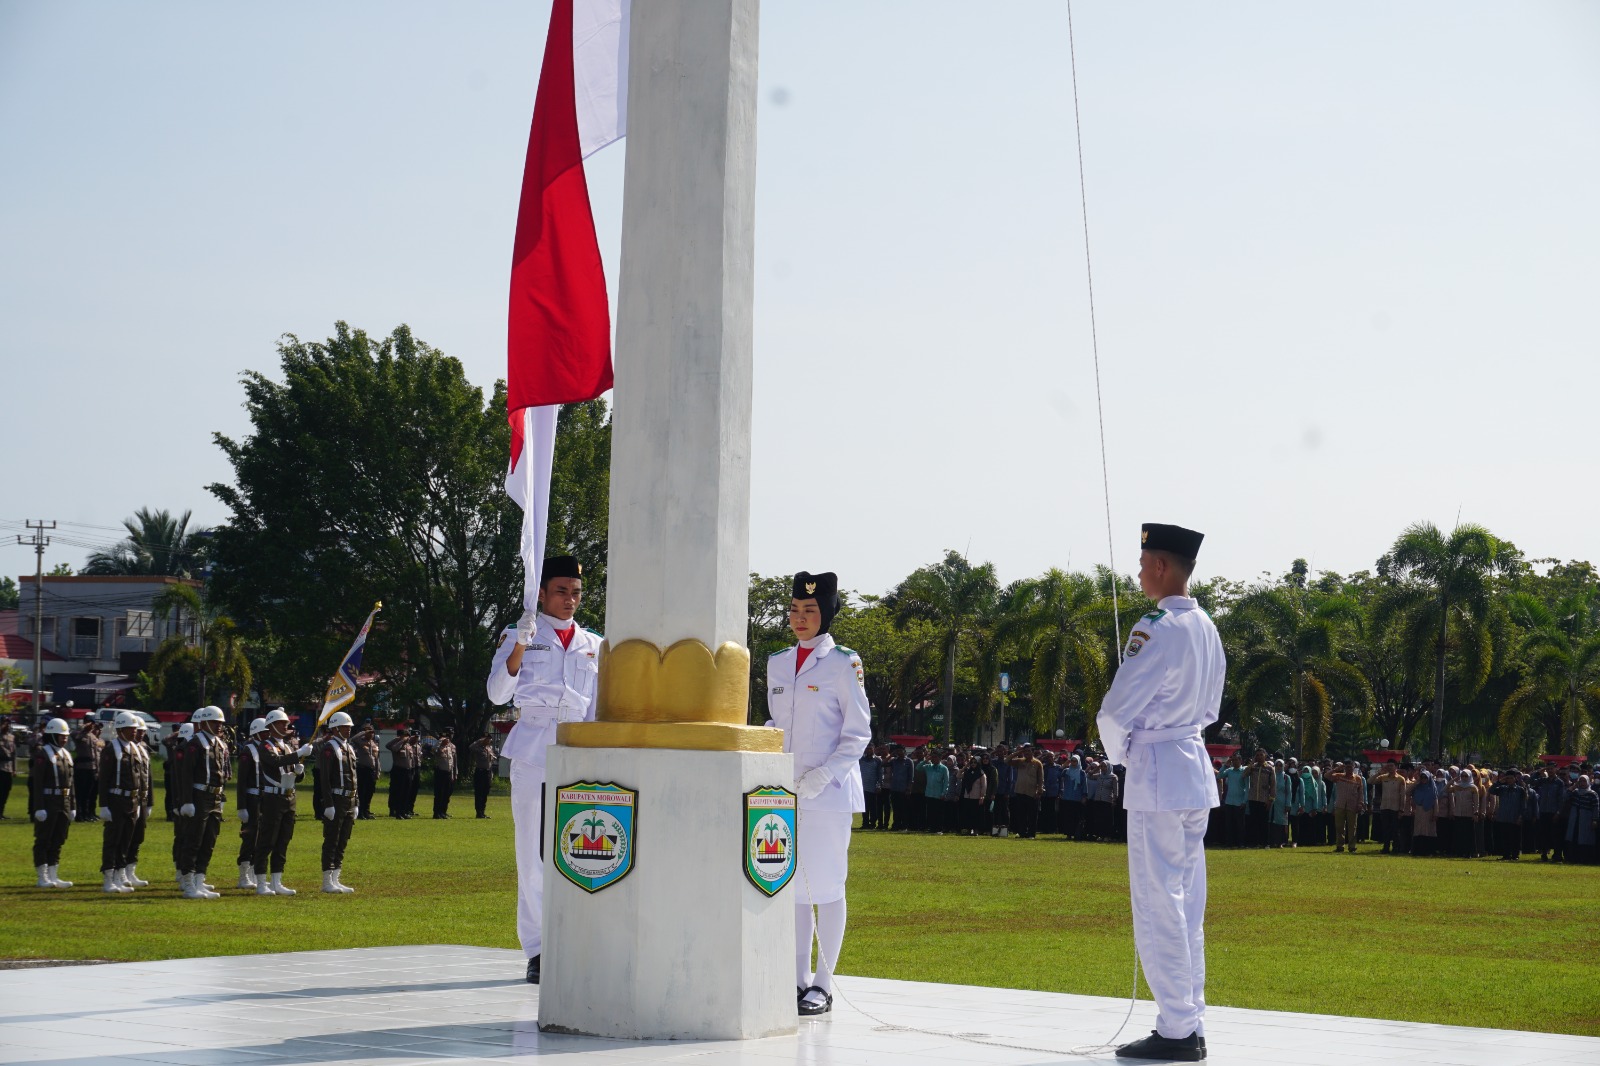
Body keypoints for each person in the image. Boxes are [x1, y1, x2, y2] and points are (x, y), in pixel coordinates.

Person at [1095, 522, 1223, 1063]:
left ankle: (1176, 1028)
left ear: (1163, 567)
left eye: (1145, 562)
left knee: (1158, 904)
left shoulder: (1158, 627)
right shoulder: (1207, 627)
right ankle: (1187, 1017)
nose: (1139, 571)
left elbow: (1113, 712)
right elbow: (1212, 710)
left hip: (1157, 772)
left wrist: (1125, 757)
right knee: (1186, 903)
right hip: (1193, 766)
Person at [486, 555, 602, 985]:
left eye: (575, 592)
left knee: (580, 851)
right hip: (535, 750)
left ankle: (574, 938)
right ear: (541, 593)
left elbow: (598, 705)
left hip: (579, 752)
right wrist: (518, 645)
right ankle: (537, 948)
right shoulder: (520, 636)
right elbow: (497, 693)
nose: (570, 600)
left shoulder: (594, 643)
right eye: (561, 591)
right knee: (532, 855)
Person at [766, 571, 871, 1018]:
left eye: (810, 611)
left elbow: (858, 733)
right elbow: (777, 724)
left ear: (826, 614)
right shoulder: (775, 661)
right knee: (790, 887)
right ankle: (795, 979)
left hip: (827, 792)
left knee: (826, 887)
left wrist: (824, 774)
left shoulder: (844, 663)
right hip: (783, 789)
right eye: (794, 610)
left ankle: (824, 985)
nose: (800, 618)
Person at [253, 708, 313, 896]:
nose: (285, 725)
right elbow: (274, 761)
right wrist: (298, 754)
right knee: (267, 840)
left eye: (285, 722)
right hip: (273, 798)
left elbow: (294, 774)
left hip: (289, 797)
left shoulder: (287, 746)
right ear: (271, 726)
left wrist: (299, 772)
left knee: (283, 840)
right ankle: (261, 882)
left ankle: (277, 881)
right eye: (281, 723)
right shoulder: (266, 745)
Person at [173, 706, 230, 900]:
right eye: (215, 722)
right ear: (204, 723)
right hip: (198, 796)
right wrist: (187, 801)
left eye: (221, 723)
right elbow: (186, 774)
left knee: (209, 841)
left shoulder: (220, 744)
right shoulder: (195, 744)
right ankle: (188, 882)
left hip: (213, 797)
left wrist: (221, 798)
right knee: (194, 840)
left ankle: (199, 879)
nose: (219, 726)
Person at [97, 711, 151, 893]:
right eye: (131, 728)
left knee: (126, 840)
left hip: (132, 800)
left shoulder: (133, 748)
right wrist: (103, 804)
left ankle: (120, 874)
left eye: (136, 728)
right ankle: (108, 878)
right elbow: (104, 779)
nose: (135, 732)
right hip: (116, 799)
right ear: (121, 729)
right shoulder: (111, 749)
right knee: (113, 839)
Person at [316, 711, 360, 892]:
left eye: (349, 727)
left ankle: (336, 878)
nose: (348, 730)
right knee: (332, 839)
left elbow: (354, 777)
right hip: (336, 798)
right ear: (335, 728)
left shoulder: (348, 747)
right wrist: (328, 803)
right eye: (345, 727)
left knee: (343, 839)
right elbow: (324, 779)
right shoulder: (329, 748)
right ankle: (327, 880)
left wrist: (356, 801)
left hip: (349, 799)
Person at [32, 717, 77, 888]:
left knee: (58, 838)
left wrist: (73, 805)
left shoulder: (66, 754)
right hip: (49, 801)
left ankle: (53, 874)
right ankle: (42, 876)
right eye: (61, 736)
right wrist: (39, 807)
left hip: (63, 802)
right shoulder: (43, 754)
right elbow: (37, 783)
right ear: (51, 736)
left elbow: (71, 784)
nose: (64, 739)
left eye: (66, 736)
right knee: (44, 838)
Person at [235, 717, 270, 890]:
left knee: (262, 837)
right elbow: (241, 781)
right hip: (251, 799)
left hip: (265, 799)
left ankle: (255, 873)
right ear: (257, 732)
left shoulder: (267, 749)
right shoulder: (248, 752)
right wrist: (241, 806)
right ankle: (243, 875)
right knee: (250, 836)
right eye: (266, 731)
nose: (269, 734)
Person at [386, 728, 422, 818]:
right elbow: (393, 748)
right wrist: (400, 740)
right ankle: (397, 812)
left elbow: (412, 759)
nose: (407, 737)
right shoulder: (398, 744)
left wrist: (413, 770)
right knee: (399, 792)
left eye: (408, 736)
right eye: (405, 735)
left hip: (408, 771)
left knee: (407, 792)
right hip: (399, 770)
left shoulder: (409, 746)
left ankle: (403, 811)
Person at [1010, 745, 1044, 839]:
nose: (1027, 753)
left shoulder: (1037, 763)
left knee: (1032, 815)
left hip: (1032, 792)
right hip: (1020, 791)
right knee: (1021, 814)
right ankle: (1022, 833)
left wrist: (1039, 790)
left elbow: (1040, 778)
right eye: (1025, 751)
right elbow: (1007, 761)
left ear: (1032, 752)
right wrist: (1018, 752)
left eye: (1028, 751)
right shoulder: (1019, 761)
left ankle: (1031, 834)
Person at [73, 720, 104, 822]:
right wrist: (84, 729)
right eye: (95, 728)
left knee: (89, 793)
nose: (96, 730)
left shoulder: (95, 738)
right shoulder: (81, 735)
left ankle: (88, 813)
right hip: (82, 768)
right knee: (81, 793)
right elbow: (74, 735)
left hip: (93, 768)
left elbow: (97, 754)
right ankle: (80, 814)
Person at [1244, 749, 1274, 848]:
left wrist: (1270, 799)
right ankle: (1254, 843)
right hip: (1253, 798)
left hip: (1264, 799)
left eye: (1261, 755)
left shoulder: (1270, 769)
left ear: (1265, 756)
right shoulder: (1253, 767)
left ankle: (1265, 843)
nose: (1259, 757)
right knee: (1253, 822)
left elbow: (1273, 785)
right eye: (1257, 755)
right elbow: (1244, 774)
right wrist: (1252, 763)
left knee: (1264, 822)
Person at [352, 722, 381, 819]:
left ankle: (366, 811)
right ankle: (360, 812)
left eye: (372, 732)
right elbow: (353, 739)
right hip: (362, 770)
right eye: (369, 731)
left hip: (371, 771)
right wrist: (363, 732)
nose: (371, 734)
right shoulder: (360, 741)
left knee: (370, 792)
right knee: (362, 792)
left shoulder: (374, 743)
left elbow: (376, 759)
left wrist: (378, 771)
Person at [469, 730, 497, 819]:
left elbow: (491, 761)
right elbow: (471, 747)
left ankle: (483, 811)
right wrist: (479, 741)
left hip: (487, 772)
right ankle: (479, 812)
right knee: (479, 793)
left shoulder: (489, 749)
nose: (487, 741)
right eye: (486, 739)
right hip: (480, 772)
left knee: (485, 792)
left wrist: (491, 773)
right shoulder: (478, 748)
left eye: (488, 739)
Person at [1059, 753, 1087, 840]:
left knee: (1076, 817)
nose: (1073, 763)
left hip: (1077, 798)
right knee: (1068, 817)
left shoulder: (1082, 773)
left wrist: (1084, 796)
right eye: (1072, 761)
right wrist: (1064, 765)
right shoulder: (1066, 771)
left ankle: (1076, 833)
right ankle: (1068, 834)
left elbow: (1084, 785)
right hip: (1067, 797)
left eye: (1075, 761)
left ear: (1078, 762)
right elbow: (1058, 775)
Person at [431, 729, 458, 819]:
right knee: (439, 793)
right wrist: (440, 741)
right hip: (440, 772)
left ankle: (443, 812)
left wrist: (454, 773)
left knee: (446, 794)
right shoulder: (439, 748)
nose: (448, 739)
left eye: (448, 737)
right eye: (446, 737)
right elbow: (433, 750)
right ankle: (437, 812)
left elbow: (453, 762)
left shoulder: (450, 747)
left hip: (448, 773)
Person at [959, 756, 988, 835]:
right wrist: (966, 766)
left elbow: (984, 786)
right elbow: (958, 775)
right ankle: (968, 829)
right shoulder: (967, 772)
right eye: (971, 762)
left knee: (976, 815)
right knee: (968, 814)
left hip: (976, 797)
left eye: (975, 762)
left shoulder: (981, 773)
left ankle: (976, 830)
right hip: (967, 796)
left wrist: (982, 796)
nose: (973, 764)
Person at [858, 746, 884, 831]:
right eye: (867, 748)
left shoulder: (877, 760)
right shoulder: (861, 759)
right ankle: (865, 823)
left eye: (870, 749)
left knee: (873, 807)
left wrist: (879, 785)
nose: (868, 750)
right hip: (862, 787)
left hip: (873, 787)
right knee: (864, 806)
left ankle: (872, 823)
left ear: (874, 749)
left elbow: (880, 774)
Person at [0, 717, 16, 819]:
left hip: (8, 767)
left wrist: (14, 769)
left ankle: (1, 812)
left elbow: (14, 754)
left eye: (8, 723)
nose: (7, 725)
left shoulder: (11, 737)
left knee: (6, 790)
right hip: (0, 767)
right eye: (5, 723)